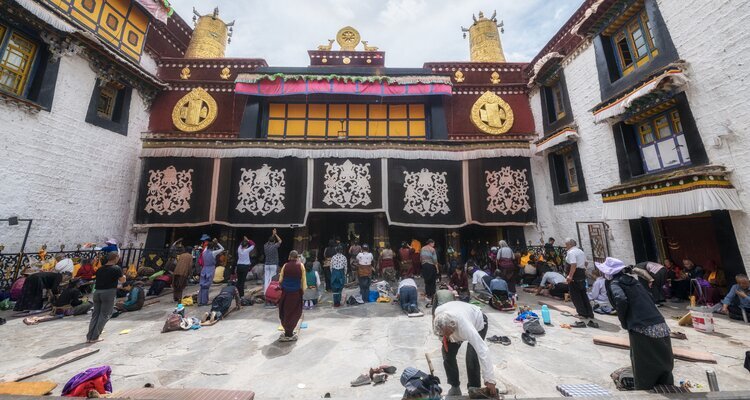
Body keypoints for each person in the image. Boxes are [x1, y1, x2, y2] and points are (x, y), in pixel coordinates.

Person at [598, 257, 673, 390]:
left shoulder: (615, 283)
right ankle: (666, 385)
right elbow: (648, 296)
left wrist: (623, 320)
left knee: (643, 362)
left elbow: (620, 299)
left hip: (641, 326)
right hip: (659, 322)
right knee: (662, 358)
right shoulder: (633, 281)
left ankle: (644, 389)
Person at [433, 301, 497, 397]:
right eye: (444, 334)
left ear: (453, 326)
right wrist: (443, 338)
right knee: (447, 354)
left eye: (448, 333)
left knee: (472, 356)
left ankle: (474, 388)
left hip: (478, 321)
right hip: (458, 316)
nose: (446, 335)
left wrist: (490, 379)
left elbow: (483, 350)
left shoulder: (465, 327)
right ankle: (454, 386)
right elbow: (441, 330)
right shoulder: (439, 313)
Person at [87, 252, 125, 343]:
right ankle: (95, 337)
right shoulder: (116, 268)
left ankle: (89, 337)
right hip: (108, 293)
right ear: (115, 258)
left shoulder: (100, 269)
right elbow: (122, 280)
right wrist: (124, 276)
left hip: (97, 292)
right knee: (104, 315)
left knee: (95, 314)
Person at [564, 238, 597, 328]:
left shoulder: (571, 252)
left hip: (575, 274)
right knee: (583, 293)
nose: (565, 247)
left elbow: (573, 265)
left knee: (575, 294)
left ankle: (582, 313)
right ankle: (589, 313)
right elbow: (586, 262)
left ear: (570, 245)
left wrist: (570, 276)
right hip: (581, 273)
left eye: (566, 245)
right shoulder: (580, 251)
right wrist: (583, 269)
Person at [278, 250, 306, 341]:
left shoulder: (285, 266)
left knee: (285, 312)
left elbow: (280, 280)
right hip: (296, 293)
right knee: (294, 312)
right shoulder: (301, 266)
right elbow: (303, 281)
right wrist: (302, 291)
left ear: (289, 257)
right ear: (297, 257)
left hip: (286, 293)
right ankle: (289, 333)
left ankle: (287, 332)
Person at [263, 229, 282, 303]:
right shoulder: (275, 246)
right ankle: (271, 293)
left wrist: (272, 235)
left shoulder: (265, 246)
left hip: (267, 264)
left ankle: (266, 293)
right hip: (273, 264)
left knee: (266, 280)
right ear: (274, 241)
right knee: (272, 281)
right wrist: (275, 234)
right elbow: (280, 241)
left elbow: (269, 241)